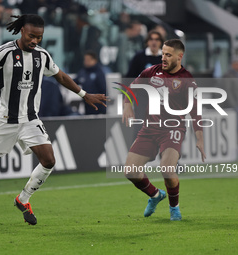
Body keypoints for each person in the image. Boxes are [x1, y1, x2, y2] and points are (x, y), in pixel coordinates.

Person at [0, 14, 107, 226]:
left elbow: (60, 76)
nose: (35, 41)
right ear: (22, 30)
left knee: (49, 160)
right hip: (3, 118)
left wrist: (83, 94)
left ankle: (23, 199)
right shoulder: (4, 52)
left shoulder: (42, 55)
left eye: (39, 37)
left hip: (30, 119)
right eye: (32, 36)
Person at [122, 39, 206, 221]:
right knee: (130, 171)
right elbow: (130, 88)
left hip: (172, 129)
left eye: (168, 55)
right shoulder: (152, 71)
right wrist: (127, 105)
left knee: (167, 169)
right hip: (149, 128)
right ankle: (155, 195)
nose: (164, 58)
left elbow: (195, 111)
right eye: (163, 54)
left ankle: (174, 208)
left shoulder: (187, 80)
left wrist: (200, 139)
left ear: (179, 56)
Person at [125, 30, 163, 140]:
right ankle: (135, 153)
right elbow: (129, 79)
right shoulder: (139, 57)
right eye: (151, 39)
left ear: (161, 42)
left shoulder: (166, 58)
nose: (154, 42)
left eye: (157, 39)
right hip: (142, 99)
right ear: (147, 42)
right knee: (140, 126)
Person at [74, 50, 107, 114]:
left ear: (94, 60)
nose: (86, 62)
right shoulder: (82, 72)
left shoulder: (99, 72)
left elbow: (103, 89)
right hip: (87, 104)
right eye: (85, 60)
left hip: (98, 106)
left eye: (88, 60)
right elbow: (74, 82)